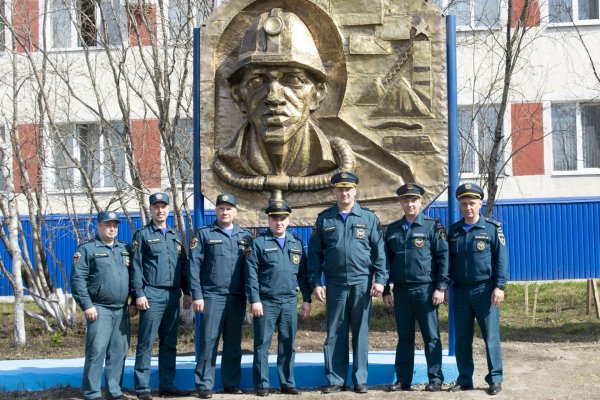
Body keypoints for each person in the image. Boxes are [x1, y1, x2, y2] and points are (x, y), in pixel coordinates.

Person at [213, 8, 355, 192]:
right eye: (257, 82)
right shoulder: (227, 161)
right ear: (238, 96)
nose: (274, 97)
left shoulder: (335, 158)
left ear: (317, 94)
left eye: (294, 80)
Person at [307, 171, 387, 394]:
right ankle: (335, 379)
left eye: (348, 188)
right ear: (335, 191)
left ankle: (360, 379)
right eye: (340, 189)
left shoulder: (368, 218)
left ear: (355, 191)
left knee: (361, 332)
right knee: (335, 331)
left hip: (362, 284)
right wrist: (316, 282)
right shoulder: (325, 219)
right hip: (335, 284)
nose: (344, 193)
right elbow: (314, 255)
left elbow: (379, 252)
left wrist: (380, 280)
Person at [382, 183, 449, 392]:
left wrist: (441, 287)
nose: (410, 204)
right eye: (406, 200)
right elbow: (385, 261)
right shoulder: (392, 229)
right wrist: (385, 289)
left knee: (431, 336)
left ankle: (435, 379)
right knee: (404, 337)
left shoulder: (432, 226)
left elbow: (443, 256)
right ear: (400, 202)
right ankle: (403, 380)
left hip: (426, 290)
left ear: (420, 201)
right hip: (401, 291)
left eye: (414, 200)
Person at [189, 194, 253, 399]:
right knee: (209, 341)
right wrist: (196, 295)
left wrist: (252, 297)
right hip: (212, 296)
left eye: (229, 208)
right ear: (215, 211)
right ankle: (204, 384)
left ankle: (231, 383)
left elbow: (251, 269)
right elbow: (194, 266)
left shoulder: (245, 237)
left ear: (235, 211)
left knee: (233, 342)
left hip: (237, 296)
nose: (225, 212)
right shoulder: (204, 234)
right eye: (221, 208)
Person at [246, 200, 312, 397]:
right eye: (275, 218)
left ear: (288, 220)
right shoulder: (258, 243)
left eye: (283, 218)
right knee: (262, 344)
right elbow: (251, 275)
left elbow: (303, 275)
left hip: (290, 301)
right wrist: (254, 300)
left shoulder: (297, 244)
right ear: (269, 220)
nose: (279, 222)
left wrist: (306, 299)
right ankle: (262, 384)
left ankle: (287, 383)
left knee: (288, 344)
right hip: (266, 302)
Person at [447, 183, 508, 396]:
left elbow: (502, 260)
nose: (468, 208)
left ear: (480, 203)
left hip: (486, 291)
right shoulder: (453, 231)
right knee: (462, 338)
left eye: (472, 203)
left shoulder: (492, 229)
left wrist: (499, 286)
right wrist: (444, 286)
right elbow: (447, 262)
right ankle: (465, 379)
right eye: (464, 204)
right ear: (460, 205)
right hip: (461, 292)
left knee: (490, 337)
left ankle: (495, 379)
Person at [130, 192, 192, 400]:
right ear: (151, 209)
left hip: (173, 295)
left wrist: (187, 292)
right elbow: (136, 267)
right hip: (151, 293)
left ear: (169, 209)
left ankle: (167, 385)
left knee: (169, 342)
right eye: (156, 206)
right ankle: (142, 388)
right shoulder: (142, 235)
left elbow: (182, 266)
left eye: (163, 206)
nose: (160, 210)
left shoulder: (175, 235)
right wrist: (139, 293)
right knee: (146, 343)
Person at [70, 211, 132, 400]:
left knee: (118, 352)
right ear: (98, 226)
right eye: (107, 225)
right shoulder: (87, 249)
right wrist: (87, 305)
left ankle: (114, 391)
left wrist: (133, 300)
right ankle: (92, 393)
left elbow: (134, 276)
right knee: (96, 351)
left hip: (122, 309)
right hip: (99, 308)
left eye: (115, 225)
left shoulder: (124, 248)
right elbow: (77, 279)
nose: (112, 228)